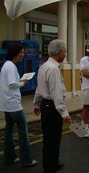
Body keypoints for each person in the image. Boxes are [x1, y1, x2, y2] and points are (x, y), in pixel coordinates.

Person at [33, 39, 71, 173]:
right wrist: (64, 113)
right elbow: (57, 94)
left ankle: (52, 163)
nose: (65, 55)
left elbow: (39, 88)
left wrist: (37, 104)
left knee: (49, 138)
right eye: (64, 52)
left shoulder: (43, 66)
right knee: (53, 139)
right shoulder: (53, 69)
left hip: (45, 105)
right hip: (52, 107)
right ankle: (50, 167)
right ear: (59, 52)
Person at [0, 43, 38, 167]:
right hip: (13, 104)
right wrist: (23, 83)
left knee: (9, 130)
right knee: (23, 131)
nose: (23, 55)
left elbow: (9, 83)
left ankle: (9, 157)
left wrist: (19, 82)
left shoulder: (6, 65)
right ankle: (27, 159)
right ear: (14, 53)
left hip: (6, 103)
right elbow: (12, 84)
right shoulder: (11, 66)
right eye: (21, 52)